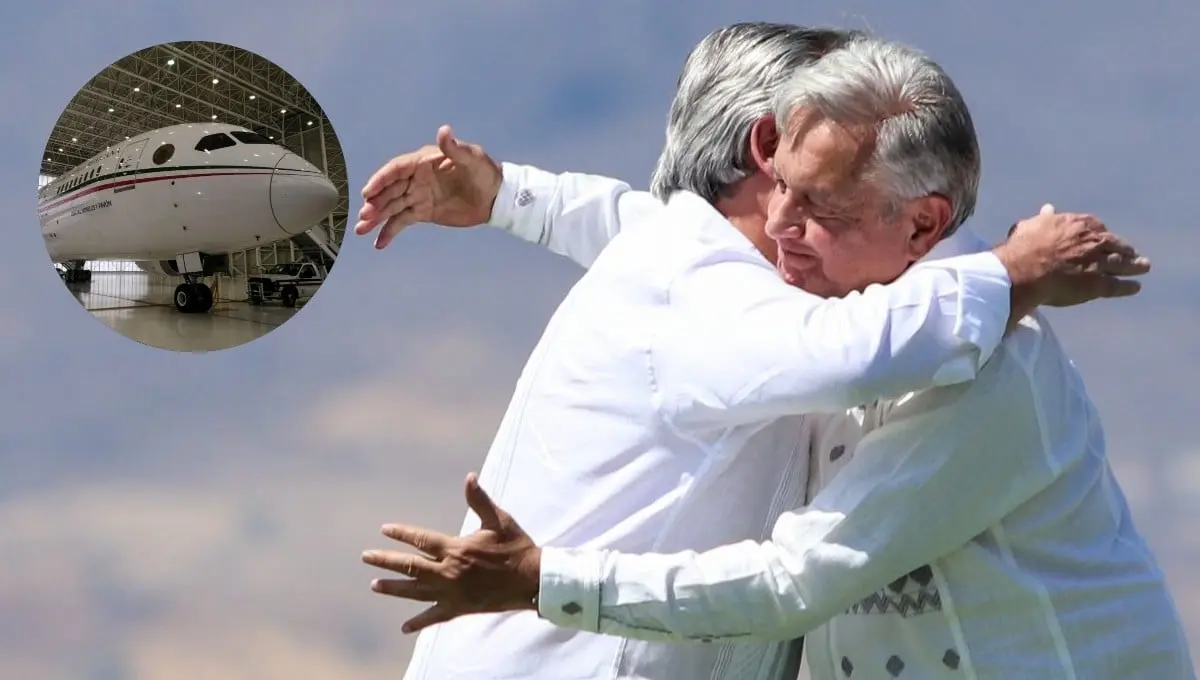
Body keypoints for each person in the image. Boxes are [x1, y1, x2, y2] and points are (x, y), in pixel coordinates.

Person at [358, 31, 1191, 679]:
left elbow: (795, 580)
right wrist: (513, 198)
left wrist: (545, 581)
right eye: (780, 183)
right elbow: (672, 248)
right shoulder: (764, 290)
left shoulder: (980, 362)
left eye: (820, 203)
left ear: (923, 225)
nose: (783, 221)